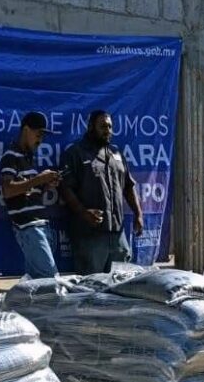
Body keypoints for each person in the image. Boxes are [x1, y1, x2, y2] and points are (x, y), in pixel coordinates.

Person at [59, 110, 143, 274]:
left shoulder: (116, 153)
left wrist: (138, 214)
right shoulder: (75, 153)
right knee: (91, 286)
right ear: (91, 127)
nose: (108, 131)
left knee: (120, 283)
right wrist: (83, 213)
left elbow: (128, 186)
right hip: (89, 236)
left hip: (117, 235)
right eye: (103, 126)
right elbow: (65, 188)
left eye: (110, 127)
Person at [0, 112, 61, 278]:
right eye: (38, 134)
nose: (40, 140)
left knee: (37, 284)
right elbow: (8, 190)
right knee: (50, 280)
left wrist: (46, 185)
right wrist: (38, 179)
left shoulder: (29, 158)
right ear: (26, 130)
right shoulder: (11, 155)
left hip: (41, 226)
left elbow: (28, 193)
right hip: (29, 228)